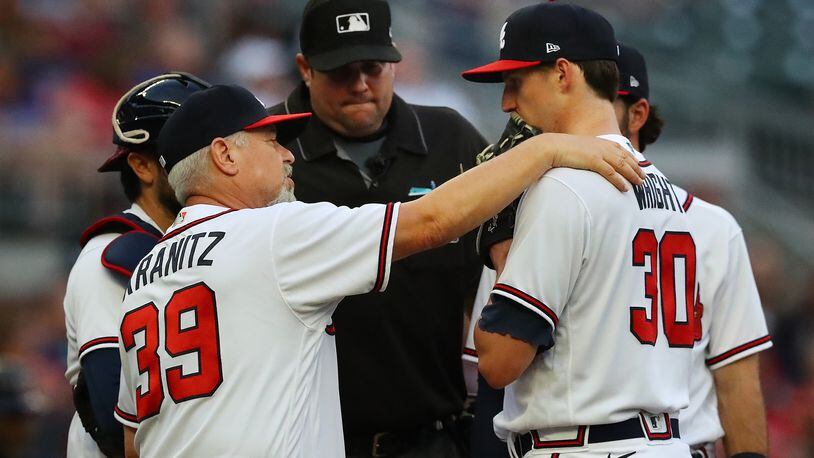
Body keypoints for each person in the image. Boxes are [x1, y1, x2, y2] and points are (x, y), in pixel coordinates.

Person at [113, 83, 644, 457]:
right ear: (225, 155)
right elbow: (432, 220)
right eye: (272, 142)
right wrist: (548, 147)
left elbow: (134, 441)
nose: (289, 156)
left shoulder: (145, 272)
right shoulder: (273, 235)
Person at [462, 3, 696, 457]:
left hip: (584, 444)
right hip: (661, 441)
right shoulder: (665, 188)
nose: (507, 103)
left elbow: (498, 361)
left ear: (563, 73)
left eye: (515, 82)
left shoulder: (565, 187)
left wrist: (498, 249)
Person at [267, 0, 488, 455]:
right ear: (305, 68)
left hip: (432, 434)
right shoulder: (264, 149)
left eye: (373, 67)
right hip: (307, 439)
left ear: (394, 60)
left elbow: (491, 270)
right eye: (340, 71)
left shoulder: (449, 139)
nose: (361, 85)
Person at [613, 44, 772, 458]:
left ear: (637, 114)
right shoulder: (542, 217)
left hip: (686, 445)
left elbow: (737, 379)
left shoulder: (714, 228)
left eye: (602, 101)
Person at [62, 72, 210, 458]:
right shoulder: (109, 256)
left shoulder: (214, 243)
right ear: (143, 166)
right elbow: (113, 419)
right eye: (192, 150)